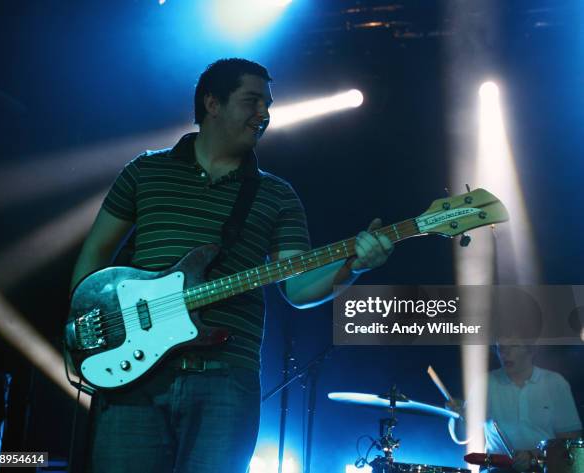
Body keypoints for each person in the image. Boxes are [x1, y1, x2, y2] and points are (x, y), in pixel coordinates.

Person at [69, 58, 394, 473]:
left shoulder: (277, 195)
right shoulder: (145, 171)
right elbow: (95, 253)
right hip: (134, 377)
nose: (265, 113)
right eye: (252, 100)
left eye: (268, 104)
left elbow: (296, 288)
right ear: (213, 103)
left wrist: (355, 268)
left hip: (226, 380)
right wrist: (85, 327)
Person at [448, 343, 582, 472]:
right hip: (496, 468)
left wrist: (533, 456)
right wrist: (460, 418)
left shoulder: (555, 383)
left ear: (531, 349)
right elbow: (462, 437)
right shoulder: (484, 383)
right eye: (501, 347)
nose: (505, 353)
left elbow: (571, 444)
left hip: (545, 466)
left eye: (513, 346)